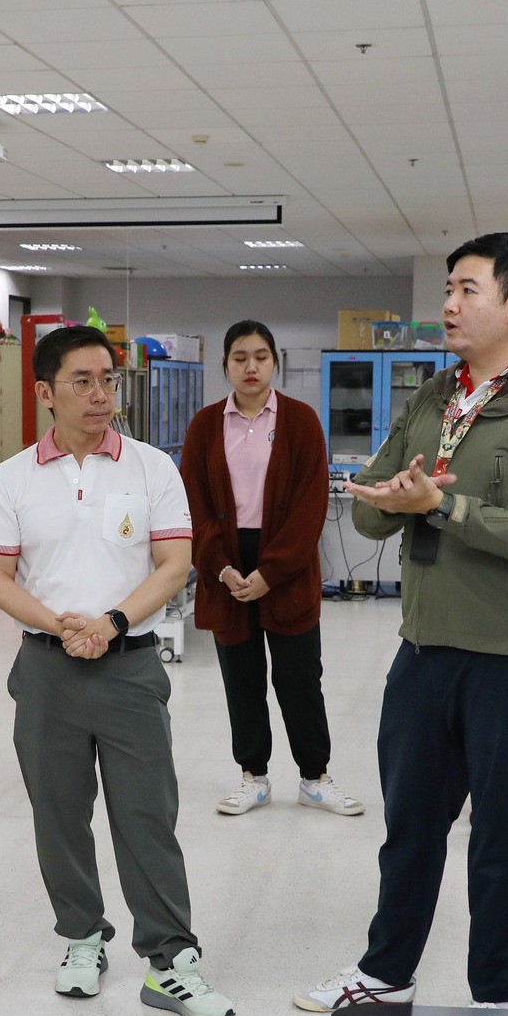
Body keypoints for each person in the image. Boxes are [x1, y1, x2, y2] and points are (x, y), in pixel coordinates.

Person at [296, 232, 508, 1013]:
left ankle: (494, 999)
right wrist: (392, 499)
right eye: (447, 289)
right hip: (425, 649)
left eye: (467, 289)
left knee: (503, 838)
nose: (448, 304)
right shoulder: (435, 398)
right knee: (409, 825)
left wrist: (445, 505)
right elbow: (371, 511)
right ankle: (386, 972)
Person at [0, 324, 235, 1016]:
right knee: (59, 813)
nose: (100, 394)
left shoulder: (152, 468)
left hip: (130, 668)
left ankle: (170, 959)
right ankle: (82, 936)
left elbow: (174, 565)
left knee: (147, 814)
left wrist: (111, 623)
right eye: (82, 381)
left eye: (108, 380)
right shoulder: (13, 477)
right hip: (46, 669)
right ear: (45, 392)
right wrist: (60, 624)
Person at [179, 320, 361, 818]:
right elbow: (194, 502)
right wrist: (220, 567)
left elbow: (309, 505)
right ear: (225, 365)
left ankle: (315, 778)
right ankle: (253, 777)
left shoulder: (300, 421)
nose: (251, 367)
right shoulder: (205, 425)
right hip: (227, 566)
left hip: (286, 566)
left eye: (260, 356)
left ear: (274, 362)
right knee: (241, 679)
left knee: (300, 678)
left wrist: (271, 572)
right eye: (240, 358)